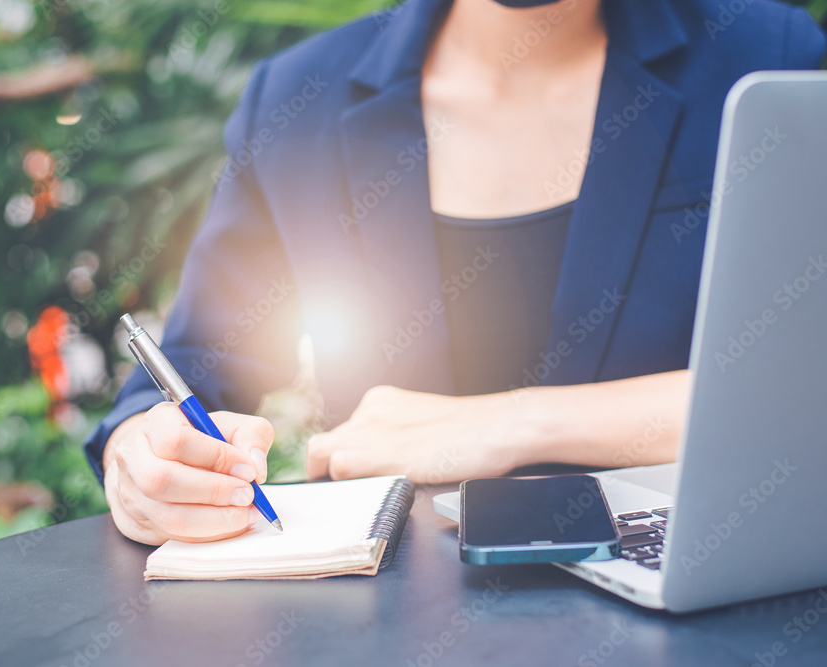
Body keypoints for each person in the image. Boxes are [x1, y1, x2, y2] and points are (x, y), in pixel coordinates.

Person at [84, 0, 826, 545]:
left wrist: (515, 422)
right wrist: (138, 455)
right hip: (397, 627)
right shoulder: (296, 103)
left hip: (690, 613)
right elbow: (189, 370)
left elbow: (806, 380)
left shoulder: (763, 56)